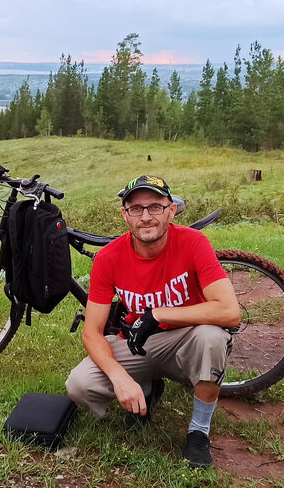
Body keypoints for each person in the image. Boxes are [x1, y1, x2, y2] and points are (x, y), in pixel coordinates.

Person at [65, 175, 240, 469]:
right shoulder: (109, 258)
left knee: (211, 338)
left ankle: (199, 432)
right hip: (138, 344)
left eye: (155, 207)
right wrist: (120, 378)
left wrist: (158, 314)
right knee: (80, 385)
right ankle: (145, 387)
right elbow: (92, 332)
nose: (146, 217)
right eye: (136, 209)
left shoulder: (194, 242)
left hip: (188, 338)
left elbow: (229, 311)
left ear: (171, 211)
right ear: (125, 215)